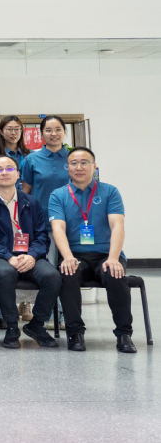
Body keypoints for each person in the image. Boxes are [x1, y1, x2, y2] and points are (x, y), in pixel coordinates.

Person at [0, 155, 60, 349]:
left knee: (52, 276)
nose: (4, 173)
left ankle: (37, 324)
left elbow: (42, 236)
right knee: (5, 273)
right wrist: (8, 256)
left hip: (29, 256)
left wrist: (32, 255)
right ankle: (11, 327)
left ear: (18, 174)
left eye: (10, 169)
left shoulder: (31, 203)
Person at [49, 148, 135, 353]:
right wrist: (67, 257)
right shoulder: (58, 195)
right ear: (67, 167)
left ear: (94, 166)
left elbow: (117, 226)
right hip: (76, 255)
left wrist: (113, 258)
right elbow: (57, 228)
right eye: (74, 163)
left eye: (84, 162)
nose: (79, 167)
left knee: (114, 273)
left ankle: (124, 334)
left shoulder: (110, 191)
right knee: (68, 273)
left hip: (106, 254)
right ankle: (75, 333)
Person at [21, 116, 70, 215]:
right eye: (48, 130)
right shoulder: (31, 159)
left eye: (58, 129)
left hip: (70, 214)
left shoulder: (74, 158)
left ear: (64, 132)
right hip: (40, 215)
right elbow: (25, 193)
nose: (54, 134)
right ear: (41, 134)